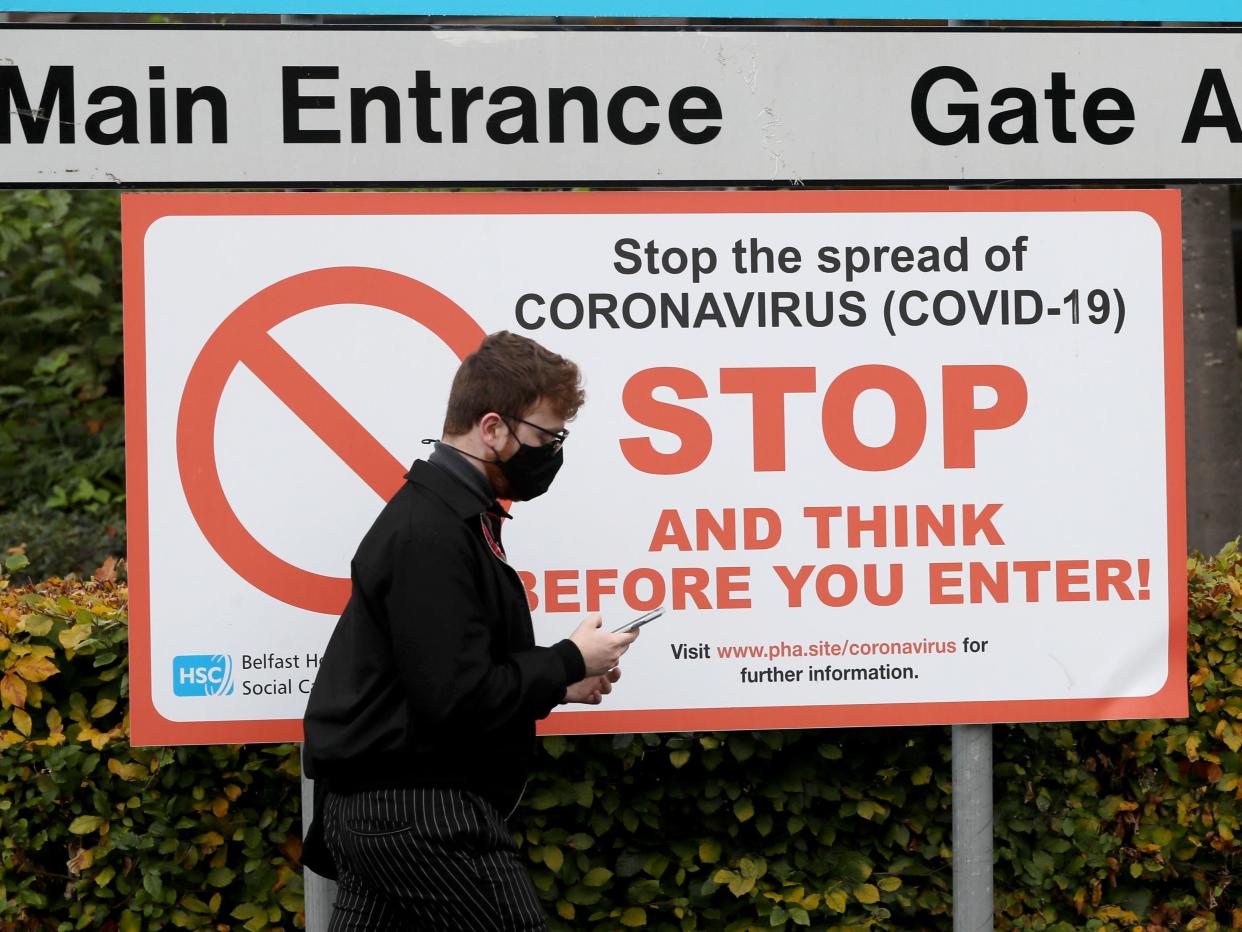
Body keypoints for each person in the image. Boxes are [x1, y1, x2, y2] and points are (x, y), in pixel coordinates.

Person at [300, 331, 638, 930]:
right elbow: (455, 697)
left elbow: (440, 677)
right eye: (545, 437)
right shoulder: (431, 532)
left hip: (385, 809)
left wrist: (561, 684)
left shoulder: (447, 518)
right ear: (492, 428)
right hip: (418, 813)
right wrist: (564, 660)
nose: (553, 452)